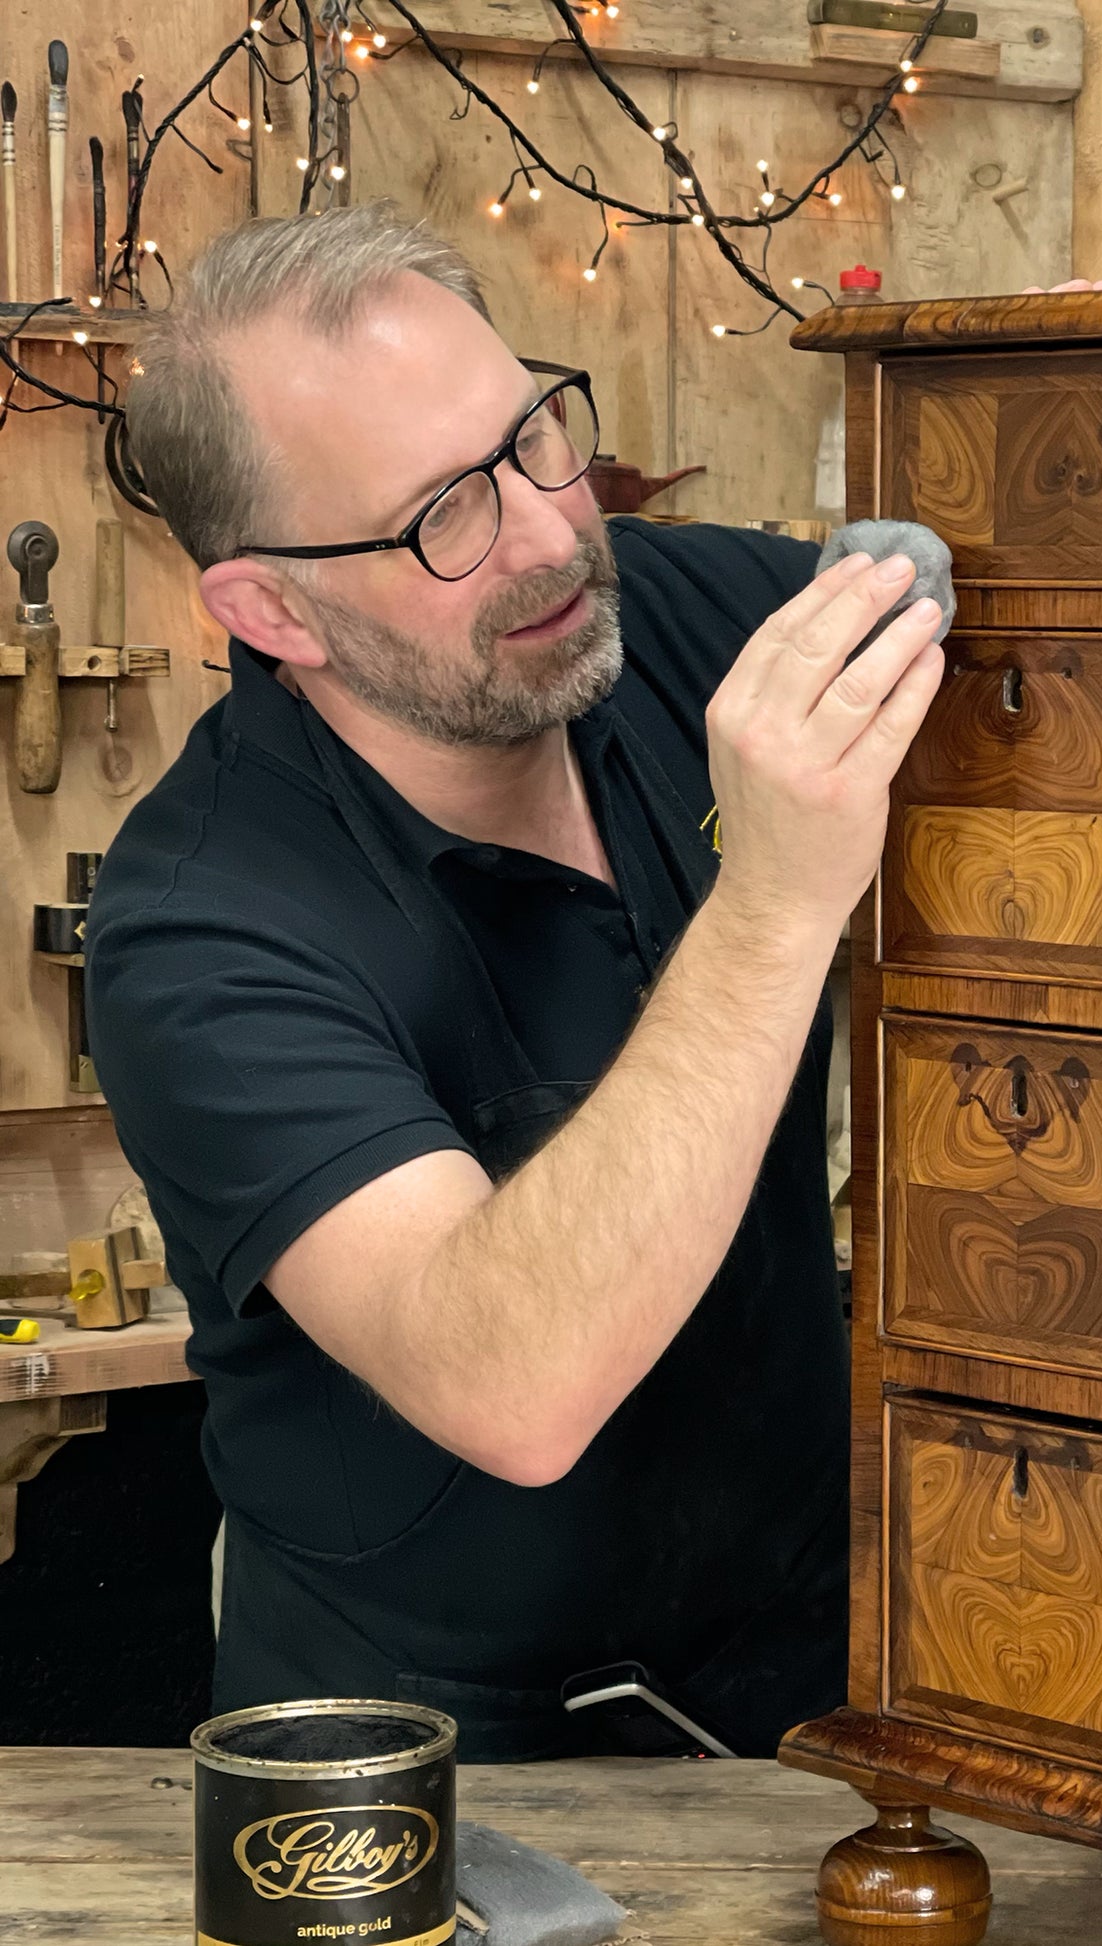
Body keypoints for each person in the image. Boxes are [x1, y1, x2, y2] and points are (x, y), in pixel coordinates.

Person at [85, 201, 944, 1760]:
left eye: (536, 436)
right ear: (272, 609)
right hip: (425, 1755)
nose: (552, 531)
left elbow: (999, 601)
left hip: (808, 1679)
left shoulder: (635, 621)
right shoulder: (200, 925)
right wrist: (773, 901)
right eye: (439, 519)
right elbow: (514, 1383)